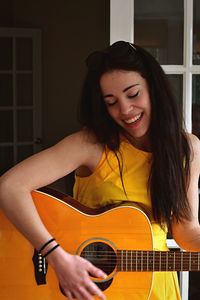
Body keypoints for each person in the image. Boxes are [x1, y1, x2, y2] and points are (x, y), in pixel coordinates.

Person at [0, 41, 200, 300]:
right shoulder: (90, 145)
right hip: (91, 288)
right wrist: (56, 257)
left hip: (156, 288)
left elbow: (186, 232)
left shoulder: (188, 148)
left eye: (133, 94)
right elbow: (9, 186)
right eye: (111, 102)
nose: (125, 110)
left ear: (154, 89)